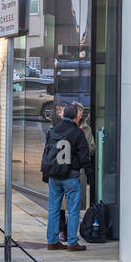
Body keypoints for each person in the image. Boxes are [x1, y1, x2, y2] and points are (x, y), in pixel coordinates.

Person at [41, 102, 92, 252]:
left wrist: (46, 174)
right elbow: (84, 157)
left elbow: (46, 153)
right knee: (73, 211)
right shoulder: (77, 132)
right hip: (71, 176)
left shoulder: (53, 130)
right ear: (76, 116)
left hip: (54, 176)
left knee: (53, 209)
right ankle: (72, 242)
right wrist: (90, 175)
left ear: (63, 115)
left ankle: (52, 241)